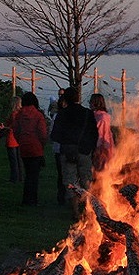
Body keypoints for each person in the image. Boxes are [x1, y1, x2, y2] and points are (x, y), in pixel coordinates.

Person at [50, 86, 98, 217]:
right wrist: (90, 148)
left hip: (67, 151)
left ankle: (76, 211)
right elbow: (94, 133)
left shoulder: (62, 114)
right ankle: (88, 208)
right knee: (86, 181)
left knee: (70, 182)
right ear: (79, 98)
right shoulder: (87, 113)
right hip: (84, 151)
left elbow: (55, 135)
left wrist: (66, 142)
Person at [12, 92, 49, 207]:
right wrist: (42, 144)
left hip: (24, 146)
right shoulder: (38, 115)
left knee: (28, 173)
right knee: (34, 176)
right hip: (36, 147)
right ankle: (32, 199)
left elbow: (15, 130)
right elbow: (42, 133)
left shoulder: (19, 115)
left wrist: (20, 140)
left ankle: (26, 199)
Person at [90, 93, 114, 172]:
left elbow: (100, 134)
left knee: (101, 171)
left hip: (102, 149)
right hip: (101, 147)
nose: (89, 104)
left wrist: (96, 149)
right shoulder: (96, 116)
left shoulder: (102, 117)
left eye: (91, 102)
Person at [3, 95, 24, 183]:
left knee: (13, 160)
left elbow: (12, 126)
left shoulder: (14, 114)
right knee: (18, 160)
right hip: (18, 139)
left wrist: (5, 128)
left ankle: (14, 178)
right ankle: (20, 177)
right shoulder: (21, 113)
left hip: (12, 138)